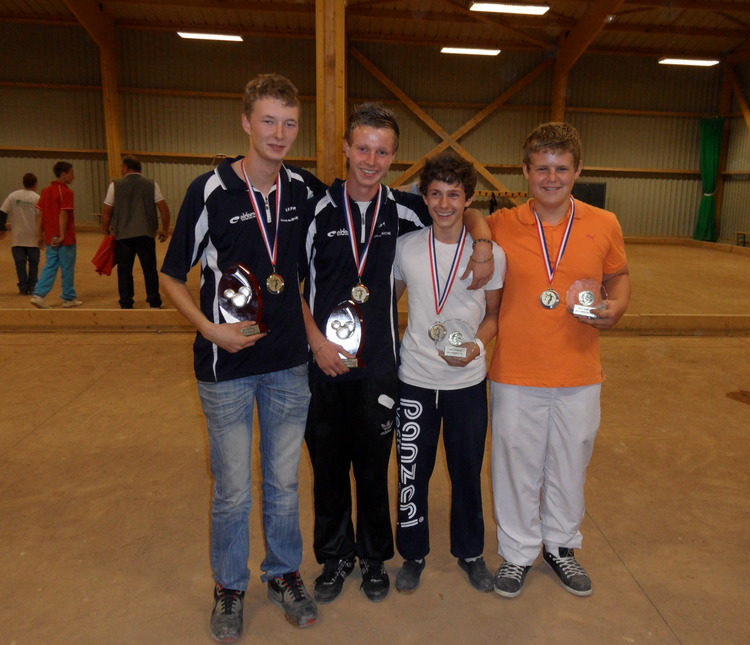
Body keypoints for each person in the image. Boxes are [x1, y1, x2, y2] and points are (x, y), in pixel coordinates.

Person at [302, 103, 495, 605]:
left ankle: (372, 559)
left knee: (372, 469)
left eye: (382, 151)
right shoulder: (316, 209)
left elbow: (460, 207)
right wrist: (317, 343)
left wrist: (483, 239)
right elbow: (292, 286)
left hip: (382, 371)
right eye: (362, 148)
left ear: (393, 157)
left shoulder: (406, 209)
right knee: (326, 471)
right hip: (323, 366)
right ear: (345, 148)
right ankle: (333, 558)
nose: (370, 159)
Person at [160, 73, 326, 643]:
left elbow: (364, 204)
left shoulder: (303, 191)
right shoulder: (209, 192)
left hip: (287, 366)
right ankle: (229, 587)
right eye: (269, 121)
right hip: (225, 368)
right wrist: (210, 329)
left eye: (290, 123)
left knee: (282, 483)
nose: (280, 133)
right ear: (246, 122)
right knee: (233, 487)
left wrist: (476, 228)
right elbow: (170, 277)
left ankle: (282, 575)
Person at [486, 122, 631, 599]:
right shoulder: (503, 223)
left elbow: (619, 276)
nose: (552, 178)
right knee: (515, 462)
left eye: (562, 169)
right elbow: (466, 220)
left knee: (571, 460)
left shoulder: (604, 223)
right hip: (515, 370)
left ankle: (562, 546)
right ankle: (518, 551)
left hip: (579, 370)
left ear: (578, 170)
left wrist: (617, 307)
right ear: (525, 172)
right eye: (542, 168)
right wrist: (479, 234)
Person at [391, 151, 506, 594]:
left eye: (453, 195)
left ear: (469, 198)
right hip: (415, 380)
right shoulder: (406, 248)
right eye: (435, 193)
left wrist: (477, 346)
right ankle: (414, 553)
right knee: (411, 472)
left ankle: (471, 552)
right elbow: (386, 301)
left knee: (466, 471)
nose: (443, 204)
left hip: (466, 384)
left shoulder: (491, 256)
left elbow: (493, 315)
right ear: (423, 196)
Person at [101, 156, 171, 308]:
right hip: (145, 234)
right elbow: (163, 207)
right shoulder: (151, 184)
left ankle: (126, 302)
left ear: (126, 168)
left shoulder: (115, 185)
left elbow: (107, 210)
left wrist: (105, 229)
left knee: (125, 270)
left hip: (123, 235)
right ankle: (154, 301)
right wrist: (165, 229)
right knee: (149, 269)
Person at [30, 162, 81, 309]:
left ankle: (38, 295)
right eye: (71, 173)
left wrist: (39, 235)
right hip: (65, 239)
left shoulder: (45, 191)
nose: (74, 176)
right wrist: (63, 235)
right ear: (63, 174)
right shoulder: (67, 192)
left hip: (50, 237)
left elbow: (40, 215)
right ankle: (69, 297)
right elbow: (63, 214)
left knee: (50, 266)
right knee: (67, 267)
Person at [0, 173, 41, 295]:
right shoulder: (37, 197)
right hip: (33, 237)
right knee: (34, 263)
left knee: (20, 263)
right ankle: (32, 286)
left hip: (18, 237)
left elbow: (2, 212)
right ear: (35, 184)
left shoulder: (13, 195)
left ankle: (23, 286)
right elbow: (42, 216)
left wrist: (2, 228)